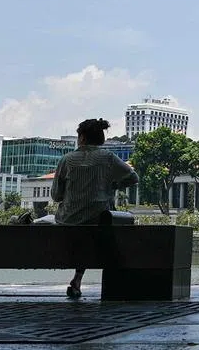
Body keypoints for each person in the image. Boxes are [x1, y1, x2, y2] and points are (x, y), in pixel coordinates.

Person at [51, 118, 139, 299]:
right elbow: (133, 177)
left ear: (82, 138)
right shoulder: (107, 158)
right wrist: (113, 185)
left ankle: (77, 279)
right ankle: (78, 279)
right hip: (99, 223)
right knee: (93, 232)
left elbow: (56, 196)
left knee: (78, 232)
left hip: (68, 222)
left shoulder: (67, 160)